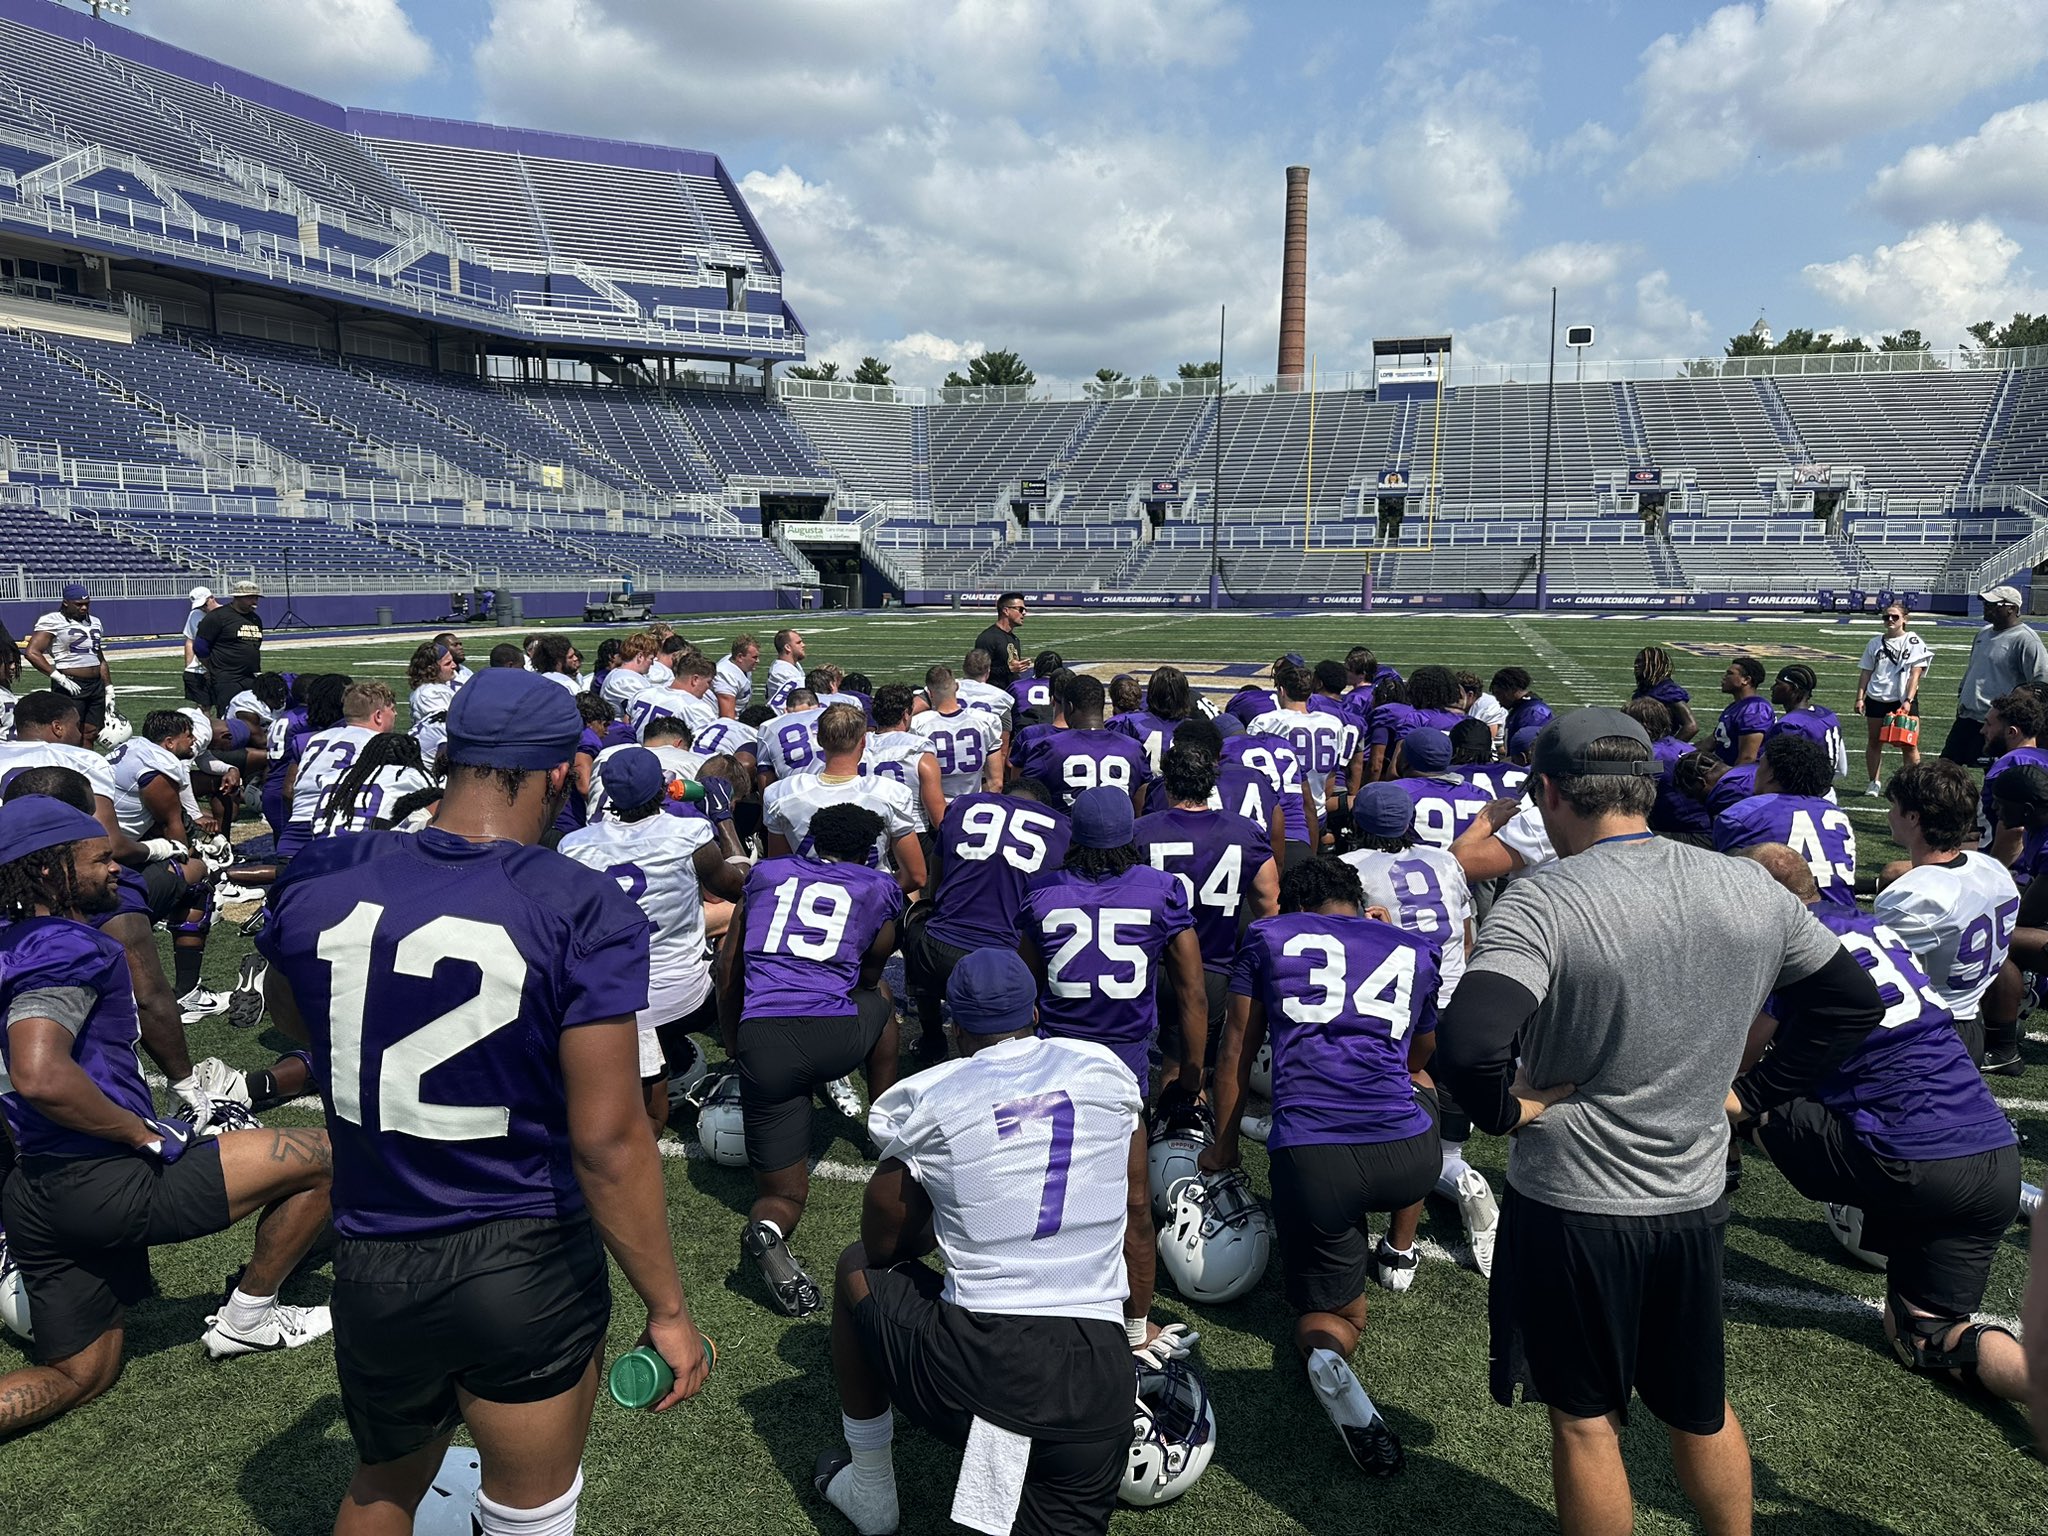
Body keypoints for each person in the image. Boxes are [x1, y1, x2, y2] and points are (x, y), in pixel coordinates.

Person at [256, 667, 711, 1534]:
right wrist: (670, 1309)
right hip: (520, 1250)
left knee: (382, 1485)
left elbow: (292, 1012)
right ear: (554, 770)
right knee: (529, 1505)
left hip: (375, 1247)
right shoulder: (576, 904)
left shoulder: (325, 871)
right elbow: (609, 1140)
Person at [1434, 707, 1881, 1536]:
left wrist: (1508, 1110)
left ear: (1551, 794)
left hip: (1575, 1202)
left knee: (1586, 1420)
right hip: (1694, 1194)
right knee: (1698, 1408)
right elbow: (1851, 1002)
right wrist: (1755, 1093)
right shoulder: (1745, 882)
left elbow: (1467, 1040)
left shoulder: (1543, 899)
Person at [0, 796, 336, 1437]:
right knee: (328, 1153)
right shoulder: (63, 947)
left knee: (81, 1375)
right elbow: (40, 1074)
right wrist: (138, 1132)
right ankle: (250, 1316)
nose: (117, 873)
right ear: (49, 870)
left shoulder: (11, 943)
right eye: (98, 859)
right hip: (102, 1179)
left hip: (34, 1192)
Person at [815, 948, 1143, 1536]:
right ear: (1037, 1013)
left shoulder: (936, 1095)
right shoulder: (1102, 1071)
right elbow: (1137, 1212)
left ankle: (870, 1490)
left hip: (996, 1371)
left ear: (954, 1026)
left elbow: (883, 1241)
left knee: (856, 1268)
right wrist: (1138, 1335)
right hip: (1104, 1382)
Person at [1735, 844, 2029, 1407]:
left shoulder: (1787, 946)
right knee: (1924, 1333)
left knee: (1723, 1098)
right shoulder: (1872, 925)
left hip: (1907, 1157)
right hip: (1993, 1158)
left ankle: (1692, 1212)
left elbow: (1740, 1064)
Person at [1203, 856, 1442, 1475]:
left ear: (1293, 905)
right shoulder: (1412, 948)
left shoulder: (1269, 935)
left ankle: (1329, 1356)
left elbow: (1236, 1048)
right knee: (1421, 1088)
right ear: (1357, 901)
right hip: (1411, 1157)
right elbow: (1420, 1050)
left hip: (1317, 1159)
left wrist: (1224, 1149)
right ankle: (1399, 1245)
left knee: (1336, 1313)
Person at [718, 803, 904, 1317]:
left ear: (810, 838)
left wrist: (735, 1044)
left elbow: (728, 967)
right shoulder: (876, 885)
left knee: (783, 1194)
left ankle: (769, 1226)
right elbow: (871, 972)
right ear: (870, 849)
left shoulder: (766, 875)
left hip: (764, 1040)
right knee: (882, 1003)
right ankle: (882, 1126)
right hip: (835, 1034)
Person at [1339, 782, 1492, 1272]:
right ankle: (1454, 1167)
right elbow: (1466, 936)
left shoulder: (1349, 867)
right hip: (1456, 997)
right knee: (1445, 1112)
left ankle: (1438, 1179)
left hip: (1395, 1003)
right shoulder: (1446, 862)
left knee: (1384, 1108)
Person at [560, 747, 742, 1132]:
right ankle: (739, 1049)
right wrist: (724, 819)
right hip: (686, 998)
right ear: (662, 790)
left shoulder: (574, 847)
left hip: (608, 999)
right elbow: (742, 886)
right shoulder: (687, 833)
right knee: (742, 926)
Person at [1020, 786, 1207, 1101]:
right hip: (1125, 1055)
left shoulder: (1041, 893)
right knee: (1128, 1138)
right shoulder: (1162, 891)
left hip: (1056, 1050)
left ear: (1075, 833)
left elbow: (1025, 986)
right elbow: (1193, 993)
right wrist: (1192, 1077)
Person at [1133, 734, 1278, 1086]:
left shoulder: (1140, 832)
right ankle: (1184, 1133)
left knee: (1130, 1063)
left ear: (1168, 782)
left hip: (1148, 963)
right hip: (1212, 964)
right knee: (1186, 1069)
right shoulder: (1244, 832)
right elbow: (1269, 905)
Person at [905, 782, 1071, 1061]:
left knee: (919, 919)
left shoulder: (963, 805)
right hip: (1012, 962)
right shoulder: (1063, 829)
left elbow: (937, 876)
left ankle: (932, 1038)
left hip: (940, 954)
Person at [1874, 759, 2022, 1069]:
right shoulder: (1991, 869)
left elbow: (1870, 979)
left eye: (1895, 806)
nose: (1889, 815)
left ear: (1914, 817)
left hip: (1927, 1034)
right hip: (1972, 1025)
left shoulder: (1914, 895)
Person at [762, 704, 926, 895]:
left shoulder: (782, 793)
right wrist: (872, 897)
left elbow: (780, 869)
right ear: (863, 742)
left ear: (820, 740)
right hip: (868, 905)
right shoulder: (889, 793)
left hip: (806, 900)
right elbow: (915, 876)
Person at [1712, 734, 1857, 910]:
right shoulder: (1835, 813)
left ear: (1771, 774)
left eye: (1761, 766)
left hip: (1786, 921)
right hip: (1844, 916)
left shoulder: (1743, 813)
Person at [276, 680, 398, 861]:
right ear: (378, 715)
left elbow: (289, 791)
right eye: (392, 709)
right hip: (332, 834)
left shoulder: (317, 738)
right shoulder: (376, 743)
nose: (395, 714)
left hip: (292, 834)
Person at [1013, 675, 1150, 815]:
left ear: (1069, 707)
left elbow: (1025, 796)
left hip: (1066, 833)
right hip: (1120, 834)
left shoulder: (1048, 747)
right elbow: (1141, 800)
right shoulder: (1133, 748)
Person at [1944, 584, 2048, 767]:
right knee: (1945, 767)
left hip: (1997, 722)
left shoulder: (2026, 639)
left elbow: (2041, 683)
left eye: (1994, 604)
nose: (1987, 607)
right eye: (1986, 603)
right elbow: (1973, 670)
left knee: (1994, 772)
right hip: (1967, 717)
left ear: (2012, 609)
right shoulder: (1983, 634)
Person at [1855, 602, 1931, 792]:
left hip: (1902, 699)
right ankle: (1874, 782)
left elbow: (1916, 673)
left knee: (1909, 744)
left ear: (1905, 619)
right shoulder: (1874, 643)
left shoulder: (1913, 641)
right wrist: (1860, 697)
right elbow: (1866, 671)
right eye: (1886, 617)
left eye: (1895, 616)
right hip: (1876, 697)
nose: (1890, 619)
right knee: (1874, 741)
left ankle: (1912, 785)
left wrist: (1908, 700)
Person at [25, 584, 110, 750]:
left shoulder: (95, 622)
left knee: (91, 732)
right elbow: (32, 652)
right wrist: (58, 677)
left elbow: (99, 656)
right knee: (68, 733)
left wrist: (109, 687)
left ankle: (85, 768)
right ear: (66, 603)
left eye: (87, 603)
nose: (84, 607)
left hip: (96, 685)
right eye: (78, 604)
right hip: (70, 683)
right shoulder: (53, 620)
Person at [910, 666, 1004, 807]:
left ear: (929, 693)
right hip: (974, 806)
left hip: (935, 809)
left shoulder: (917, 724)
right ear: (957, 687)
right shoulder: (986, 721)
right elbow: (996, 783)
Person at [1977, 689, 2048, 863]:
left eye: (1989, 724)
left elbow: (2014, 830)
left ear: (2011, 732)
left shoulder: (2009, 765)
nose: (1982, 730)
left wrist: (1994, 873)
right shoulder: (2043, 756)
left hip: (2020, 867)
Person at [1763, 664, 1847, 782]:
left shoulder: (1789, 725)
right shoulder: (1828, 715)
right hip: (1826, 791)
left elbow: (1775, 771)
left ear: (1793, 688)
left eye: (1778, 684)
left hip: (1796, 793)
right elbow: (1842, 770)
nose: (1772, 688)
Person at [194, 580, 266, 713]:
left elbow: (256, 645)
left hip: (250, 676)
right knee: (229, 716)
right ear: (237, 597)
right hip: (227, 678)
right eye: (250, 597)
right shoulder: (217, 616)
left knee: (253, 714)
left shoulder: (255, 619)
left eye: (256, 597)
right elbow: (200, 646)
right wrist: (213, 667)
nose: (254, 601)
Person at [405, 640, 459, 769]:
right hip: (431, 762)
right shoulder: (429, 694)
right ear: (432, 669)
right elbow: (441, 732)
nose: (454, 666)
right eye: (447, 663)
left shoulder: (436, 688)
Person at [1711, 657, 1772, 766]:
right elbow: (1713, 740)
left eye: (1730, 674)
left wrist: (1727, 779)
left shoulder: (1754, 710)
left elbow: (1747, 758)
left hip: (1743, 778)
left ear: (1746, 680)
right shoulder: (1736, 706)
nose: (1724, 677)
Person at [1631, 646, 1698, 743]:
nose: (1636, 665)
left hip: (1658, 744)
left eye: (1641, 662)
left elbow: (1691, 726)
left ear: (1654, 664)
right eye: (1636, 662)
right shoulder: (1645, 689)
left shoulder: (1667, 691)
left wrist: (1671, 747)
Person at [975, 593, 1030, 690]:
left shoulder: (1014, 638)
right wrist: (1009, 669)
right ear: (1006, 611)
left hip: (1010, 694)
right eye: (1021, 609)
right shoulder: (988, 638)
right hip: (993, 696)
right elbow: (979, 671)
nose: (1024, 613)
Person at [1489, 667, 1553, 740]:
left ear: (1512, 690)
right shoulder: (1519, 708)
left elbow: (1531, 745)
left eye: (1498, 693)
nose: (1497, 699)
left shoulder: (1534, 712)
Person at [180, 586, 217, 707]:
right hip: (199, 668)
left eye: (204, 604)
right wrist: (189, 665)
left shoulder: (225, 613)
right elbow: (190, 640)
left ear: (211, 598)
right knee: (202, 707)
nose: (203, 608)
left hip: (219, 667)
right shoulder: (195, 614)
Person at [715, 635, 761, 718]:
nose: (758, 661)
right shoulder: (726, 675)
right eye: (754, 657)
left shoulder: (742, 665)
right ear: (740, 657)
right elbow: (727, 717)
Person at [766, 629, 808, 710]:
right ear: (788, 647)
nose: (803, 645)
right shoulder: (783, 672)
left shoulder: (792, 665)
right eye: (798, 643)